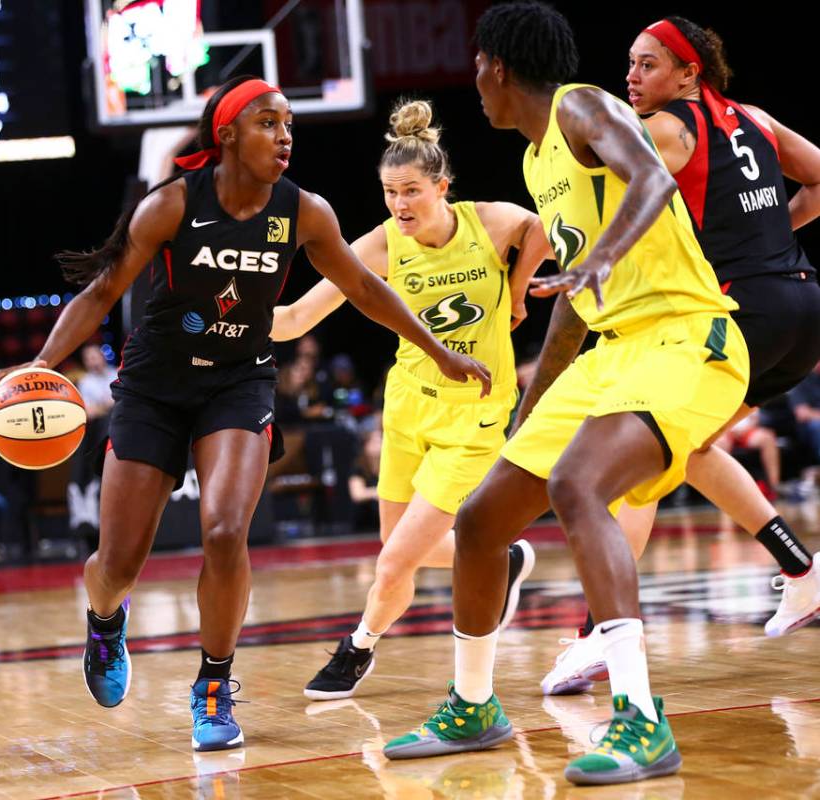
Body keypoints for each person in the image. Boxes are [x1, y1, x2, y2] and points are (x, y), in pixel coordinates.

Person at [0, 75, 490, 753]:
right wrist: (41, 364)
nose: (284, 136)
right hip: (154, 386)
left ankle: (214, 687)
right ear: (225, 136)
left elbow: (365, 287)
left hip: (239, 381)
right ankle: (105, 620)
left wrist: (439, 349)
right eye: (267, 124)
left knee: (225, 532)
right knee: (119, 563)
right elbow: (102, 293)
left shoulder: (304, 210)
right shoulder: (170, 205)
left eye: (288, 125)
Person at [382, 3, 750, 787]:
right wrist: (530, 404)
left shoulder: (583, 104)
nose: (474, 80)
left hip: (686, 336)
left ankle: (642, 721)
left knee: (578, 485)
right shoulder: (534, 161)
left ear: (499, 66)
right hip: (610, 354)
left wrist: (601, 260)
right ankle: (475, 705)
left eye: (478, 64)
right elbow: (573, 304)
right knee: (481, 520)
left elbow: (650, 176)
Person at [544, 14, 820, 695]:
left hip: (738, 310)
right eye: (629, 64)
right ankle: (799, 570)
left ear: (689, 73)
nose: (632, 77)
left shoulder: (668, 126)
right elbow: (817, 176)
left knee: (644, 458)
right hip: (801, 302)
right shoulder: (752, 116)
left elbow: (623, 179)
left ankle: (594, 638)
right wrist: (768, 234)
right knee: (687, 450)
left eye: (647, 65)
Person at [272, 97, 549, 701]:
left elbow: (545, 230)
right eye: (390, 192)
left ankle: (358, 648)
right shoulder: (379, 245)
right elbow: (296, 318)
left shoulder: (489, 223)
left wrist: (520, 289)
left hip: (474, 416)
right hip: (406, 409)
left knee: (394, 562)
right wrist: (226, 319)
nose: (400, 204)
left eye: (411, 191)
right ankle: (505, 563)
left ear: (442, 186)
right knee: (398, 549)